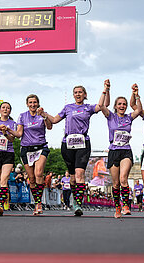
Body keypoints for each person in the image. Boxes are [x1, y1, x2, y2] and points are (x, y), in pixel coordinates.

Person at [39, 85, 108, 216]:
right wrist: (44, 114)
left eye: (80, 92)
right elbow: (54, 120)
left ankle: (77, 203)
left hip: (83, 143)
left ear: (85, 94)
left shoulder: (88, 108)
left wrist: (104, 90)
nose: (78, 94)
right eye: (75, 92)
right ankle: (74, 199)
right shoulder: (68, 108)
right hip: (68, 144)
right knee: (72, 179)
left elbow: (101, 105)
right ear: (73, 95)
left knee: (79, 174)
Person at [98, 80, 142, 218]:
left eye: (124, 104)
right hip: (113, 151)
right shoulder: (110, 116)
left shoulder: (129, 117)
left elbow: (139, 110)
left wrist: (136, 95)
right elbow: (101, 105)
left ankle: (126, 205)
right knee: (116, 183)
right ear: (115, 107)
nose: (122, 106)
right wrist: (106, 90)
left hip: (126, 151)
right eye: (120, 104)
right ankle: (117, 207)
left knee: (124, 179)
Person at [6, 94, 52, 215]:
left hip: (41, 147)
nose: (33, 105)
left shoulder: (42, 114)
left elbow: (50, 127)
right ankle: (36, 201)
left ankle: (39, 204)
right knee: (31, 179)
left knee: (39, 173)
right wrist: (9, 130)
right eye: (30, 102)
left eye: (35, 102)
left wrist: (45, 116)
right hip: (26, 149)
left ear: (38, 103)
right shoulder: (22, 116)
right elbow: (19, 134)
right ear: (27, 104)